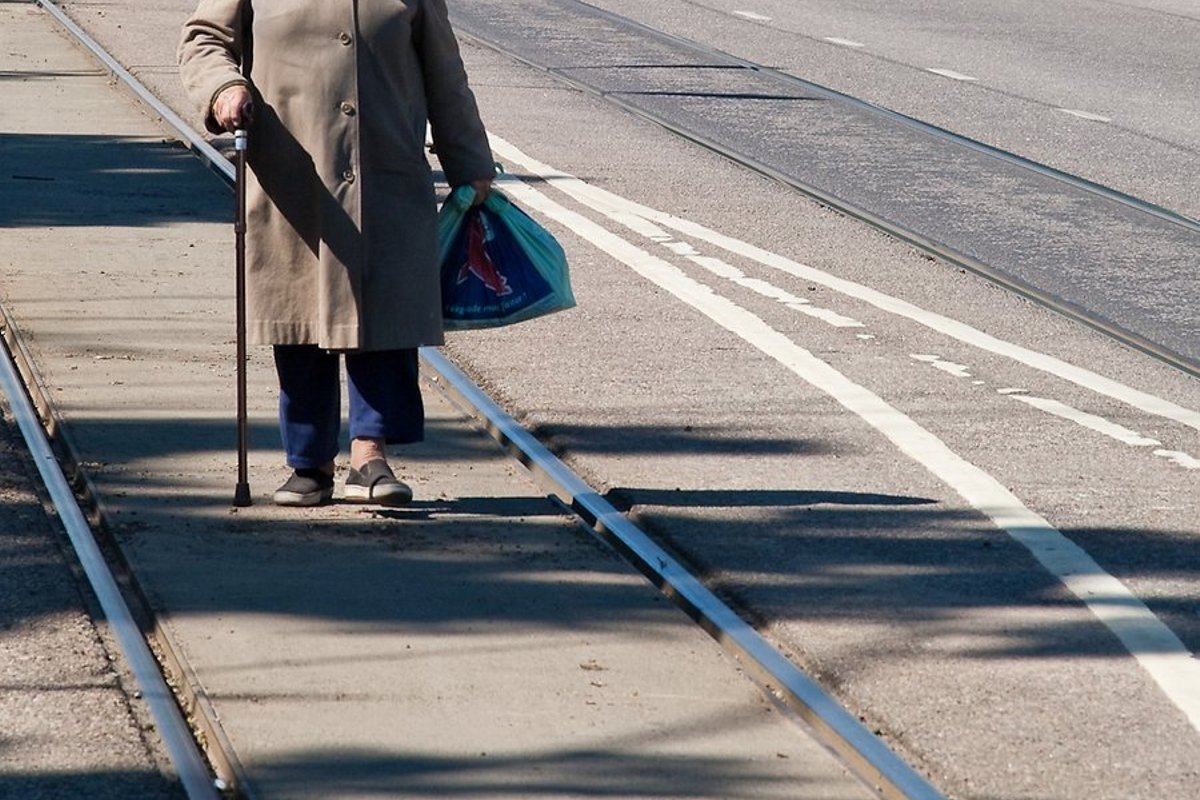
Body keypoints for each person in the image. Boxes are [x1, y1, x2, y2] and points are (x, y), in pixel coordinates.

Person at [178, 0, 494, 506]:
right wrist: (224, 88)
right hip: (292, 171)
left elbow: (444, 71)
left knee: (383, 310)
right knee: (299, 311)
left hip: (385, 167)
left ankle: (371, 456)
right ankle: (309, 464)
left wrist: (470, 160)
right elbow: (204, 39)